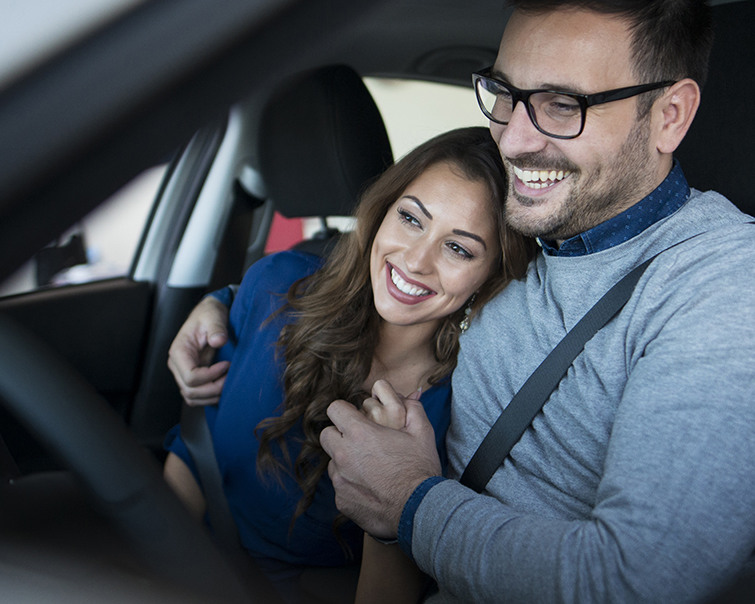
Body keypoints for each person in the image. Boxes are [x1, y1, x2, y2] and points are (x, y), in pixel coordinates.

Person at [172, 0, 755, 604]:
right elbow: (372, 269)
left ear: (669, 116)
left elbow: (636, 587)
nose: (515, 138)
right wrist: (229, 302)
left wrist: (409, 503)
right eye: (504, 92)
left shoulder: (740, 290)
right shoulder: (532, 251)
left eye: (563, 105)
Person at [162, 127, 535, 604]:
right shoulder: (275, 286)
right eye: (411, 218)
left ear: (491, 275)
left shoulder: (458, 415)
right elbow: (195, 453)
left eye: (459, 248)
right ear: (383, 212)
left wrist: (400, 501)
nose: (416, 260)